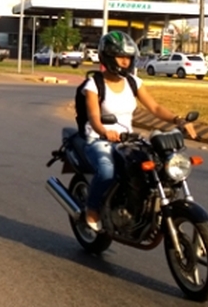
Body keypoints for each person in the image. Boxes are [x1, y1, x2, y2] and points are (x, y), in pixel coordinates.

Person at [81, 31, 197, 232]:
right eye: (121, 57)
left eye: (129, 57)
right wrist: (103, 131)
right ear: (108, 57)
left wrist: (178, 120)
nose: (126, 62)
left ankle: (138, 208)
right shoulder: (94, 84)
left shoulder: (133, 82)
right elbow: (93, 117)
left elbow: (155, 108)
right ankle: (92, 210)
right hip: (100, 140)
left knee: (158, 166)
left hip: (128, 140)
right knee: (107, 171)